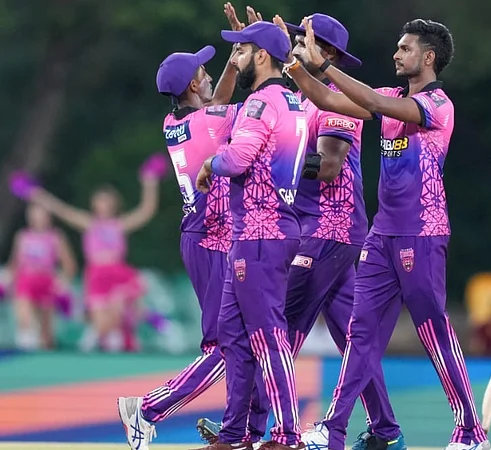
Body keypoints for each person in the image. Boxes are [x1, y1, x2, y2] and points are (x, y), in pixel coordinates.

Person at [195, 12, 406, 450]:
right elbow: (223, 113)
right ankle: (386, 430)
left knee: (277, 327)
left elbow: (328, 167)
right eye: (288, 42)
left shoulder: (334, 99)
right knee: (353, 337)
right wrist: (246, 53)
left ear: (326, 53)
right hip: (315, 231)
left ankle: (262, 433)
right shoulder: (296, 98)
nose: (292, 49)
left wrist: (277, 166)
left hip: (330, 230)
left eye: (300, 42)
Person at [279, 15, 490, 450]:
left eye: (405, 48)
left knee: (434, 333)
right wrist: (298, 67)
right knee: (362, 333)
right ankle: (332, 428)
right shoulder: (391, 95)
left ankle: (470, 431)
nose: (396, 54)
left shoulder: (437, 105)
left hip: (422, 235)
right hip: (381, 236)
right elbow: (330, 100)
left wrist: (322, 65)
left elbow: (372, 102)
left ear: (428, 57)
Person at [115, 4, 243, 450]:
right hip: (211, 240)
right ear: (193, 84)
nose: (209, 75)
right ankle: (146, 410)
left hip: (207, 237)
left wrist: (234, 58)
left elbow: (218, 99)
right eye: (204, 71)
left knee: (245, 341)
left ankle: (239, 430)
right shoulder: (212, 120)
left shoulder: (176, 121)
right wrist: (249, 53)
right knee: (224, 349)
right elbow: (244, 107)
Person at [192, 20, 306, 450]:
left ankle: (288, 434)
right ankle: (234, 433)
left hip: (259, 234)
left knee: (267, 335)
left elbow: (238, 158)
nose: (235, 60)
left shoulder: (259, 103)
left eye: (241, 51)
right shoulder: (292, 101)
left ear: (262, 56)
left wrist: (209, 163)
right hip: (266, 232)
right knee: (234, 336)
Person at [27, 155, 160, 353]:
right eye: (99, 201)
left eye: (106, 202)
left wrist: (150, 183)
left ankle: (116, 341)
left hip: (116, 274)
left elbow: (146, 211)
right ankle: (102, 341)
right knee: (100, 320)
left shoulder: (119, 224)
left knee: (116, 312)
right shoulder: (89, 223)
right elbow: (61, 210)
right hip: (96, 276)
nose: (103, 205)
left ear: (114, 204)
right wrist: (36, 193)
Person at [7, 203, 77, 350]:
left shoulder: (55, 237)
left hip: (46, 281)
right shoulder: (23, 237)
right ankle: (25, 349)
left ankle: (46, 355)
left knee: (45, 331)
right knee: (24, 317)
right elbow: (14, 263)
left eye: (42, 215)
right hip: (26, 280)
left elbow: (69, 264)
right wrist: (7, 280)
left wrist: (63, 282)